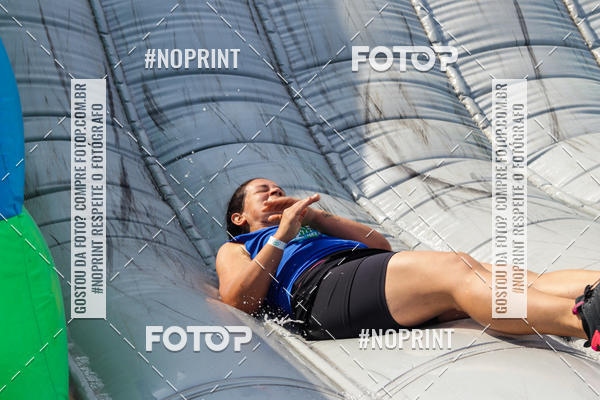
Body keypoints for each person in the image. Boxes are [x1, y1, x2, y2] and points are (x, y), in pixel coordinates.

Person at [216, 177, 600, 349]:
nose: (276, 192)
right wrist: (281, 236)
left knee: (507, 277)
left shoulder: (309, 228)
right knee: (456, 270)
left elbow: (377, 245)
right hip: (319, 292)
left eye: (279, 189)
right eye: (264, 192)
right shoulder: (239, 246)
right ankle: (584, 321)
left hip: (366, 271)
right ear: (239, 217)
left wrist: (315, 217)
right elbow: (238, 299)